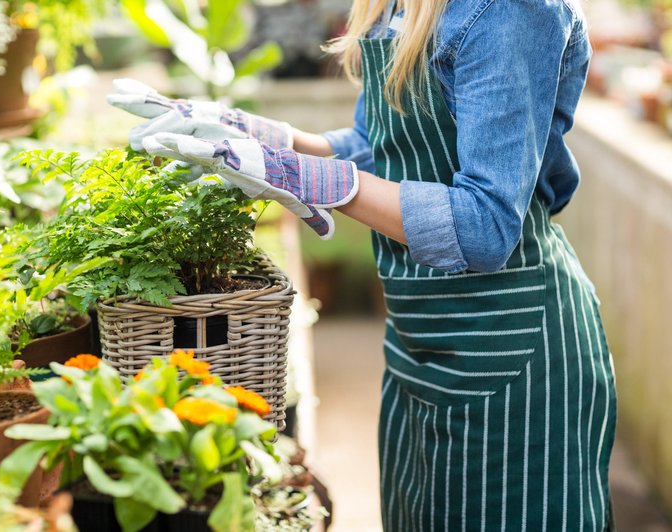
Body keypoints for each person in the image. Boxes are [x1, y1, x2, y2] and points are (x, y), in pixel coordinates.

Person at [108, 0, 617, 529]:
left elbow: (486, 226)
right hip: (418, 339)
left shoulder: (509, 11)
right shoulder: (394, 6)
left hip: (511, 347)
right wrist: (251, 134)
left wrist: (313, 179)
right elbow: (383, 147)